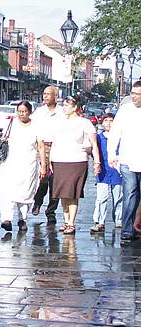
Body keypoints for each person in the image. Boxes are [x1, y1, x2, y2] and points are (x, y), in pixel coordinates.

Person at [0, 101, 47, 232]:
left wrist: (43, 165)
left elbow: (41, 146)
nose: (22, 114)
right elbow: (2, 142)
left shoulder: (37, 126)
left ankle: (22, 219)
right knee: (7, 191)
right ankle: (6, 219)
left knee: (25, 192)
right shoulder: (11, 123)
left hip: (29, 163)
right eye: (19, 111)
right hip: (10, 162)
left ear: (30, 112)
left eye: (24, 111)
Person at [48, 95, 100, 235]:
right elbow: (54, 142)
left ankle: (72, 222)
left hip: (77, 161)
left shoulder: (84, 123)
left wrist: (97, 161)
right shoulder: (58, 122)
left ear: (75, 107)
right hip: (59, 160)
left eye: (67, 105)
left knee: (72, 192)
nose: (64, 107)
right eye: (63, 104)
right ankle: (65, 220)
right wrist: (50, 160)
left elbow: (94, 144)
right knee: (62, 193)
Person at [110, 81, 141, 244]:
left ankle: (137, 226)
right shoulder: (125, 110)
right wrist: (112, 153)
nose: (134, 97)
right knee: (130, 192)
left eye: (137, 94)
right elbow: (115, 133)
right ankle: (127, 230)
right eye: (133, 93)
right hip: (128, 158)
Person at [30, 86, 63, 225]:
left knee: (56, 182)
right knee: (43, 178)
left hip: (58, 147)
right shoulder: (39, 113)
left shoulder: (62, 112)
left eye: (48, 94)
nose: (45, 96)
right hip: (42, 147)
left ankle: (51, 211)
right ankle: (38, 201)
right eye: (44, 94)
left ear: (55, 96)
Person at [90, 113, 122, 233]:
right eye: (106, 120)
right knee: (101, 197)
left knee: (118, 197)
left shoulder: (120, 137)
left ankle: (119, 219)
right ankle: (99, 221)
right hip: (103, 170)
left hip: (117, 170)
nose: (109, 123)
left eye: (111, 120)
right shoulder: (99, 137)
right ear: (102, 122)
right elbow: (94, 151)